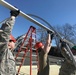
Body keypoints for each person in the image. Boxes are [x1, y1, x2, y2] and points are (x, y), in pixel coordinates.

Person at [0, 10, 20, 75]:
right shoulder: (3, 51)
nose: (15, 43)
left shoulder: (10, 53)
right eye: (14, 41)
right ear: (9, 43)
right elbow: (4, 34)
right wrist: (12, 17)